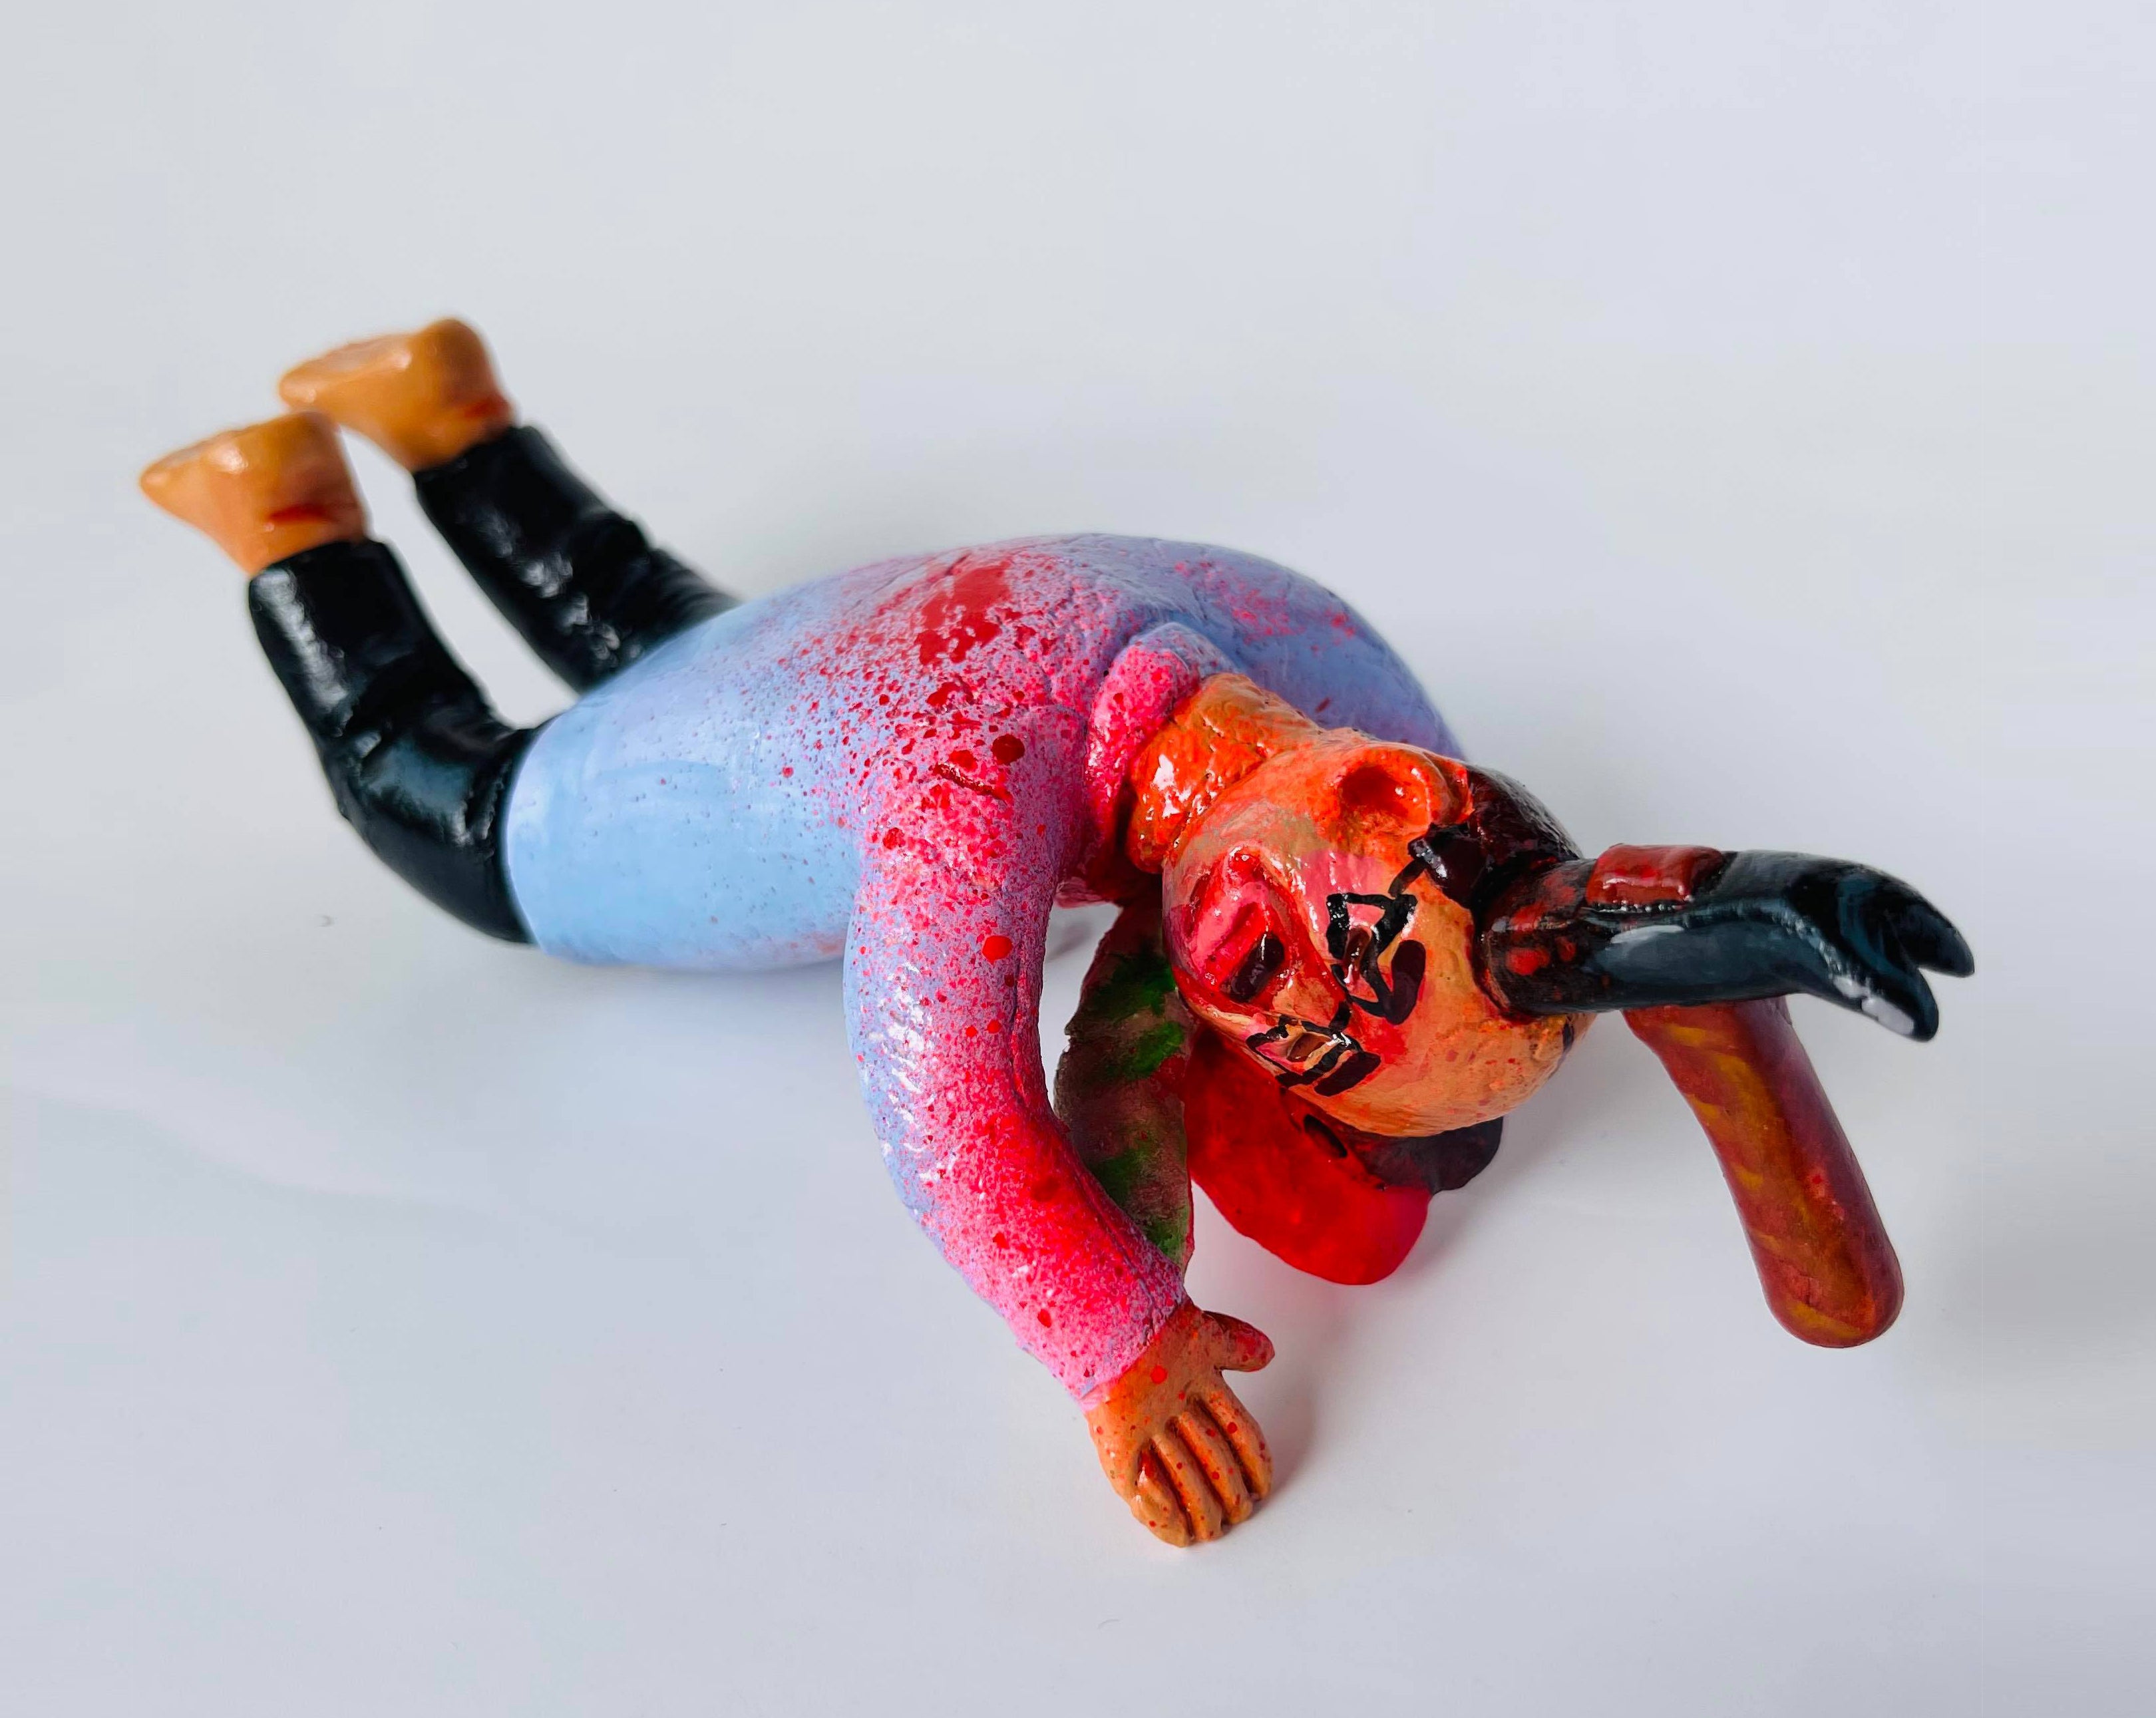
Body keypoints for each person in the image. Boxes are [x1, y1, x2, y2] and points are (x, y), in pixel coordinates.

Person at [142, 322, 1971, 1546]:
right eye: (1326, 981)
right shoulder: (974, 790)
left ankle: (449, 417)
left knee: (652, 616)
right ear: (1383, 787)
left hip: (831, 639)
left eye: (1299, 1035)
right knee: (454, 812)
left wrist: (1679, 962)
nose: (1274, 983)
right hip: (703, 776)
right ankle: (289, 521)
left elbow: (1476, 880)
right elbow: (943, 1105)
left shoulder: (1313, 652)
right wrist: (1115, 1336)